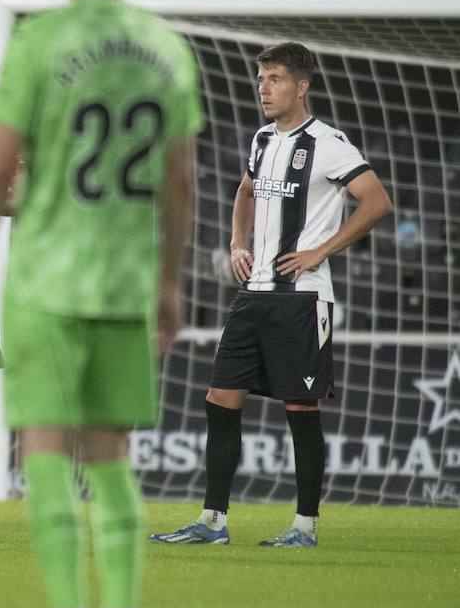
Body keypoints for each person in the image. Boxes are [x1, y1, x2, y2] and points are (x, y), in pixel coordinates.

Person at [0, 0, 200, 608]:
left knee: (50, 453)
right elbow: (183, 182)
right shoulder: (167, 48)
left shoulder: (44, 43)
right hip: (126, 285)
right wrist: (169, 282)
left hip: (49, 285)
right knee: (113, 456)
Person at [150, 42, 392, 549]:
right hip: (254, 293)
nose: (263, 87)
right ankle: (213, 521)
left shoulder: (328, 143)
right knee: (219, 400)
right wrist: (237, 242)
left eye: (275, 78)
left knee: (300, 408)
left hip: (301, 298)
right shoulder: (261, 139)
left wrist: (320, 251)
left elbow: (376, 201)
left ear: (300, 87)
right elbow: (244, 192)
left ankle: (305, 526)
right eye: (260, 78)